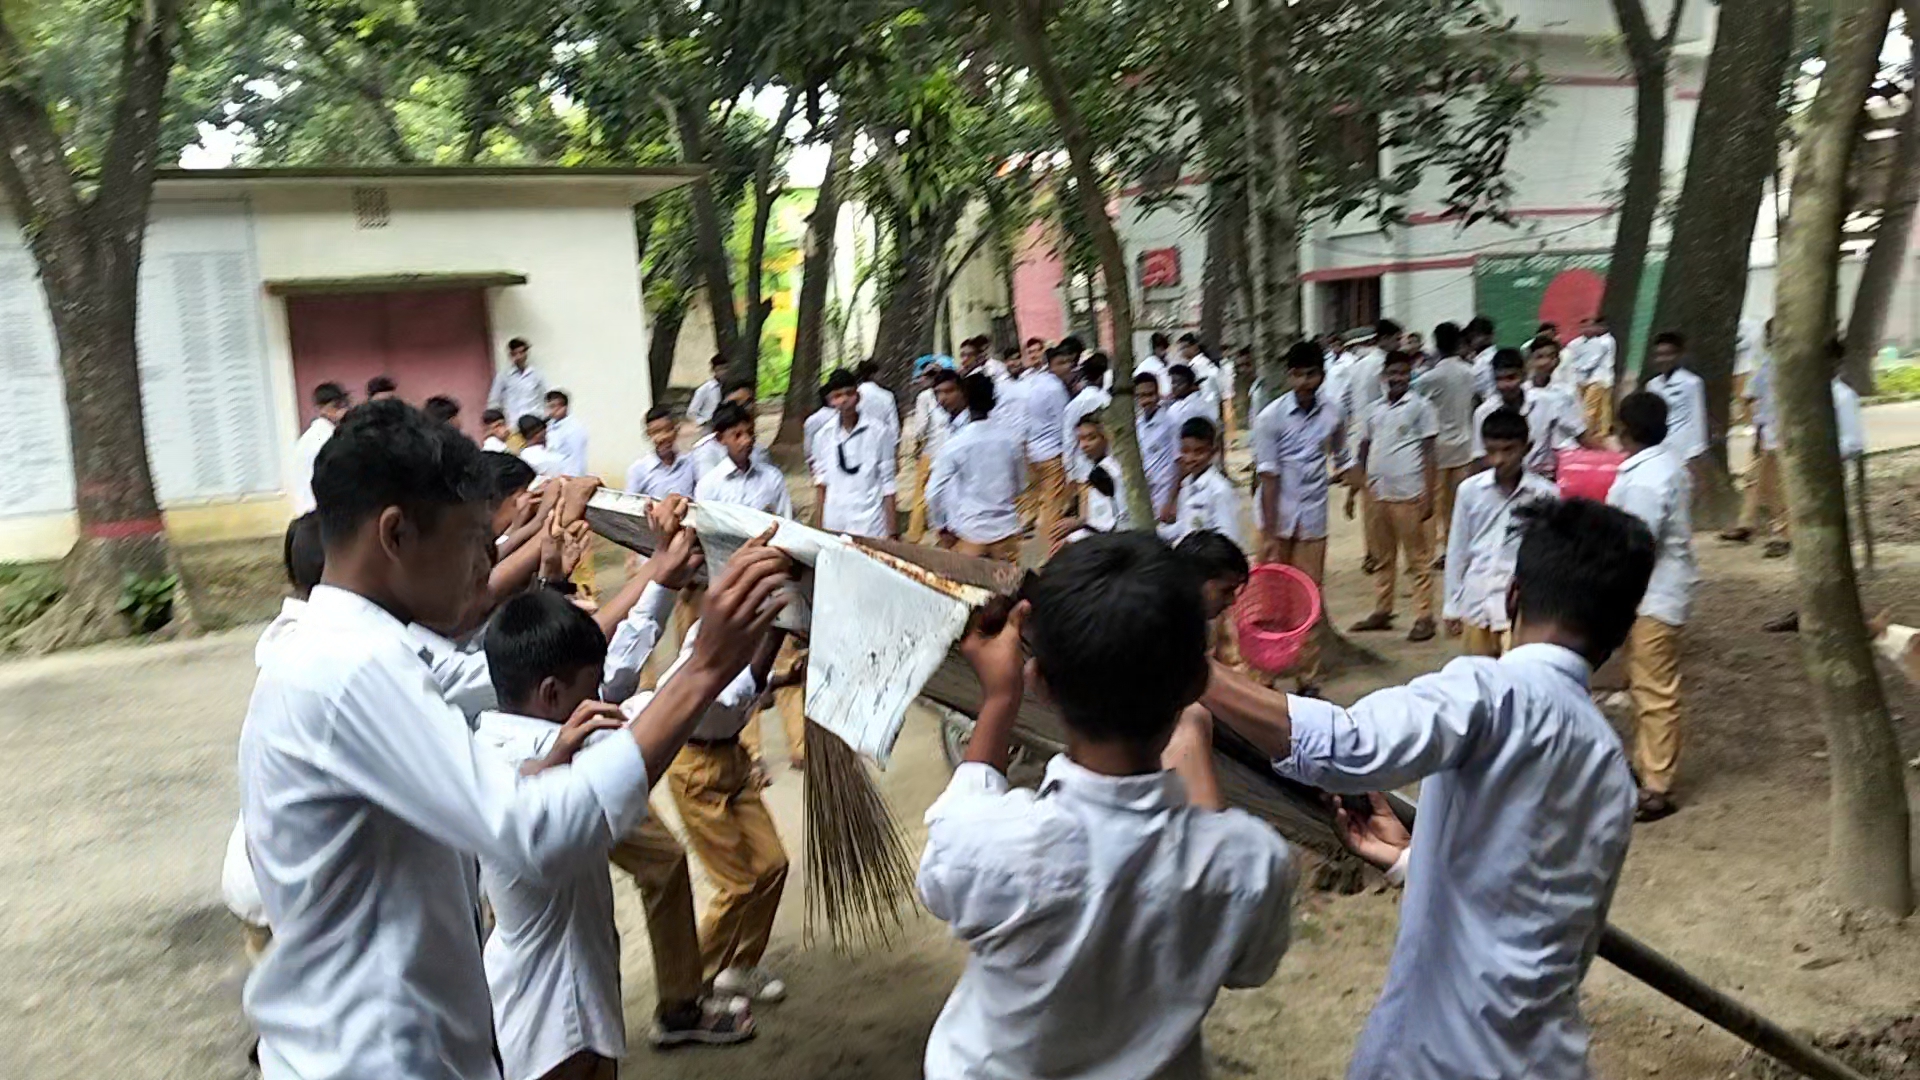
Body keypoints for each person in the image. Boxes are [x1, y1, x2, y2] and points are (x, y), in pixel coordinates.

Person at [237, 398, 793, 1080]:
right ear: (397, 534)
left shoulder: (354, 649)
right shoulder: (349, 669)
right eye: (473, 540)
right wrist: (704, 666)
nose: (486, 564)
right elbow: (535, 833)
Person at [1201, 496, 1653, 1080]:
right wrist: (1411, 861)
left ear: (1512, 596)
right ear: (1620, 632)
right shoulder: (1612, 767)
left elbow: (1346, 747)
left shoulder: (1490, 693)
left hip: (1438, 1056)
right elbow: (1533, 904)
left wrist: (1192, 672)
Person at [919, 533, 1295, 1080]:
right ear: (1196, 681)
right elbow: (1248, 967)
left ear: (1040, 682)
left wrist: (999, 700)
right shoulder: (1250, 863)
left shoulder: (989, 847)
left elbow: (948, 858)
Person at [634, 620, 794, 1007]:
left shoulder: (751, 639)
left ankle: (741, 966)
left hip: (732, 758)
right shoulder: (700, 650)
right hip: (696, 770)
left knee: (773, 865)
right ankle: (690, 992)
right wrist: (777, 631)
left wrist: (784, 677)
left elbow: (753, 684)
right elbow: (732, 692)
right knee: (736, 885)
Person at [1608, 390, 1698, 823]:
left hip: (1652, 595)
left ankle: (1657, 785)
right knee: (1644, 684)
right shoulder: (1666, 465)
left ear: (1623, 429)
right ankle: (1648, 767)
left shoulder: (1646, 478)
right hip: (1656, 591)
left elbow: (1638, 543)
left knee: (1654, 688)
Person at [1254, 342, 1345, 692]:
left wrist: (1360, 485)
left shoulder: (1333, 413)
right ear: (1289, 376)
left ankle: (1308, 677)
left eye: (1312, 374)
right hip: (1276, 519)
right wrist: (1269, 534)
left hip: (1313, 520)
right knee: (1269, 599)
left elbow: (1341, 456)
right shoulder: (1270, 418)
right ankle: (1266, 676)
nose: (1305, 382)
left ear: (1322, 375)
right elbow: (1268, 476)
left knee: (1309, 600)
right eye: (1298, 375)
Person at [1443, 408, 1558, 658]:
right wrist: (1451, 604)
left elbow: (1550, 556)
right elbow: (1458, 549)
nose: (1499, 460)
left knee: (1516, 672)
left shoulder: (1545, 494)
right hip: (1477, 601)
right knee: (1478, 673)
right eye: (1492, 451)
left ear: (1527, 448)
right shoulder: (1470, 491)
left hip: (1519, 608)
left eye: (1508, 450)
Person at [1349, 351, 1439, 642]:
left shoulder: (1421, 407)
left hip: (1409, 493)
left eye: (1403, 373)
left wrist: (1429, 494)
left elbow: (1429, 453)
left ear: (1410, 375)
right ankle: (1383, 609)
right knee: (1382, 556)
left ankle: (1424, 616)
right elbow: (1363, 448)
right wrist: (1355, 488)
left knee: (1417, 558)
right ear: (1384, 377)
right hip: (1377, 493)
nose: (1398, 378)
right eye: (1393, 373)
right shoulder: (1374, 410)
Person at [927, 373, 1027, 561]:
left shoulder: (955, 444)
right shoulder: (1011, 439)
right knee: (1008, 578)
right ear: (994, 400)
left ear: (965, 399)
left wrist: (941, 525)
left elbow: (933, 492)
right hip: (1006, 530)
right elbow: (1021, 485)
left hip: (970, 532)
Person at [1414, 322, 1477, 558]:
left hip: (1437, 449)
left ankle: (1432, 552)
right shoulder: (1470, 373)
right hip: (1464, 446)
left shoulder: (1428, 378)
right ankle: (1454, 549)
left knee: (1433, 502)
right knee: (1456, 504)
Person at [811, 369, 898, 538]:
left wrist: (892, 532)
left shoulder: (880, 432)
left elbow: (888, 484)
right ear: (830, 401)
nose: (844, 400)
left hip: (871, 522)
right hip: (835, 521)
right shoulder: (823, 436)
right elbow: (821, 485)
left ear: (858, 396)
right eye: (838, 396)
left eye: (849, 393)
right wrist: (819, 531)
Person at [695, 402, 793, 517]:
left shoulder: (772, 478)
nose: (747, 440)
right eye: (737, 435)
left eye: (750, 433)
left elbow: (786, 520)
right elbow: (704, 524)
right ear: (720, 438)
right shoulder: (709, 485)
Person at [1159, 417, 1245, 548]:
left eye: (1199, 452)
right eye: (1185, 451)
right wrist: (1158, 532)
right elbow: (1185, 525)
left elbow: (1229, 539)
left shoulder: (1219, 490)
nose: (1190, 458)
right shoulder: (1186, 485)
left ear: (1213, 452)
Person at [1017, 345, 1074, 544]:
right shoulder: (1055, 388)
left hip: (1031, 452)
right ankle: (1048, 546)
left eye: (1069, 362)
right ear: (1049, 365)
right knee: (1052, 504)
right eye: (1061, 363)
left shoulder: (1031, 384)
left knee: (1036, 502)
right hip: (1052, 454)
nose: (1067, 367)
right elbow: (1063, 425)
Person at [1049, 413, 1132, 547]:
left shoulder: (1104, 472)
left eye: (1091, 438)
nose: (1084, 445)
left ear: (1106, 437)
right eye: (1081, 440)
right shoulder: (1116, 465)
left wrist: (1070, 539)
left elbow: (1102, 526)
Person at [1521, 335, 1598, 478]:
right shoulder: (1520, 393)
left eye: (1551, 356)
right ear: (1530, 360)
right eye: (1540, 357)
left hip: (1555, 464)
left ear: (1558, 360)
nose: (1546, 362)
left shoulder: (1565, 394)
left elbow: (1580, 432)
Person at [908, 369, 969, 542]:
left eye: (949, 391)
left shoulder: (969, 425)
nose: (943, 398)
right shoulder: (948, 417)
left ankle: (915, 534)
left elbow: (920, 427)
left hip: (970, 519)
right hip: (934, 453)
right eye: (939, 393)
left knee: (922, 494)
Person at [1642, 330, 1709, 471]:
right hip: (1658, 448)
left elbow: (1698, 418)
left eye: (1668, 354)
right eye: (1659, 355)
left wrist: (1696, 451)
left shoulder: (1691, 383)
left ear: (1679, 355)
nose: (1663, 359)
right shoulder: (1652, 385)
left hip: (1682, 449)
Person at [291, 383, 350, 515]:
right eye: (336, 406)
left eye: (344, 405)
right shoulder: (323, 438)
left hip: (308, 509)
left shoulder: (315, 435)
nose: (342, 410)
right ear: (321, 409)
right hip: (317, 509)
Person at [690, 380, 762, 478]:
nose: (749, 408)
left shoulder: (759, 450)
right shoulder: (707, 451)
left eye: (750, 402)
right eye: (741, 404)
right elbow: (708, 484)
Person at [626, 404, 698, 500]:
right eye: (656, 432)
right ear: (648, 435)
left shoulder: (691, 463)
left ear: (676, 430)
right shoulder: (639, 470)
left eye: (667, 430)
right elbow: (629, 503)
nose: (663, 437)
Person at [1061, 353, 1112, 484]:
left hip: (1082, 472)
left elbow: (1069, 440)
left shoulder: (1073, 405)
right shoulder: (1108, 401)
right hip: (1107, 470)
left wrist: (1069, 472)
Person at [1133, 371, 1180, 514]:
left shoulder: (1170, 423)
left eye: (1150, 394)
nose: (1146, 400)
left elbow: (1180, 463)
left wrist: (1171, 501)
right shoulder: (1138, 425)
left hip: (1165, 494)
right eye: (1141, 396)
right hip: (1145, 495)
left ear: (1158, 394)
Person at [489, 337, 550, 439]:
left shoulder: (537, 374)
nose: (519, 357)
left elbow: (548, 396)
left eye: (521, 353)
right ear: (510, 355)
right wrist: (499, 425)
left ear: (526, 353)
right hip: (514, 427)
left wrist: (545, 417)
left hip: (534, 425)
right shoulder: (504, 376)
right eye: (515, 354)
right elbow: (494, 401)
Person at [1569, 315, 1617, 436]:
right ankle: (1603, 429)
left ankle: (1587, 430)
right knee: (1603, 406)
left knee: (1590, 405)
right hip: (1597, 378)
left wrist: (1578, 368)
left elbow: (1592, 361)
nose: (1593, 329)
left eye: (1594, 326)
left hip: (1599, 378)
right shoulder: (1595, 341)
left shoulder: (1604, 342)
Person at [854, 359, 901, 460]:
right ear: (873, 374)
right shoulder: (887, 396)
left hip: (859, 445)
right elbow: (894, 426)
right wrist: (895, 448)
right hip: (882, 446)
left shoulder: (854, 395)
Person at [545, 390, 590, 478]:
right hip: (553, 476)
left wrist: (572, 479)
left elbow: (577, 458)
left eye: (553, 406)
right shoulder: (550, 427)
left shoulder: (574, 429)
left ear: (564, 407)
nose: (551, 411)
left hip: (569, 477)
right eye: (549, 407)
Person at [1164, 363, 1218, 433]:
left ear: (1190, 385)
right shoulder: (1174, 405)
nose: (1174, 387)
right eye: (1172, 383)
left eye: (1179, 383)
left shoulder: (1199, 405)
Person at [517, 415, 567, 482]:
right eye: (535, 432)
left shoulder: (552, 442)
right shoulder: (529, 456)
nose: (541, 433)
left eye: (541, 429)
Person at [689, 355, 729, 428]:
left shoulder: (728, 388)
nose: (724, 372)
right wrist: (703, 422)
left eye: (726, 368)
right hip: (706, 427)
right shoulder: (705, 389)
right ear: (713, 370)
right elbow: (692, 412)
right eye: (720, 369)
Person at [1465, 315, 1499, 399]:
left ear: (1490, 336)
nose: (1474, 340)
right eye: (1472, 336)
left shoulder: (1485, 360)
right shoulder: (1476, 360)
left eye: (1477, 336)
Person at [1138, 331, 1175, 395]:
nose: (1165, 352)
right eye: (1161, 349)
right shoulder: (1147, 365)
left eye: (1166, 348)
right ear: (1155, 348)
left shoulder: (1168, 362)